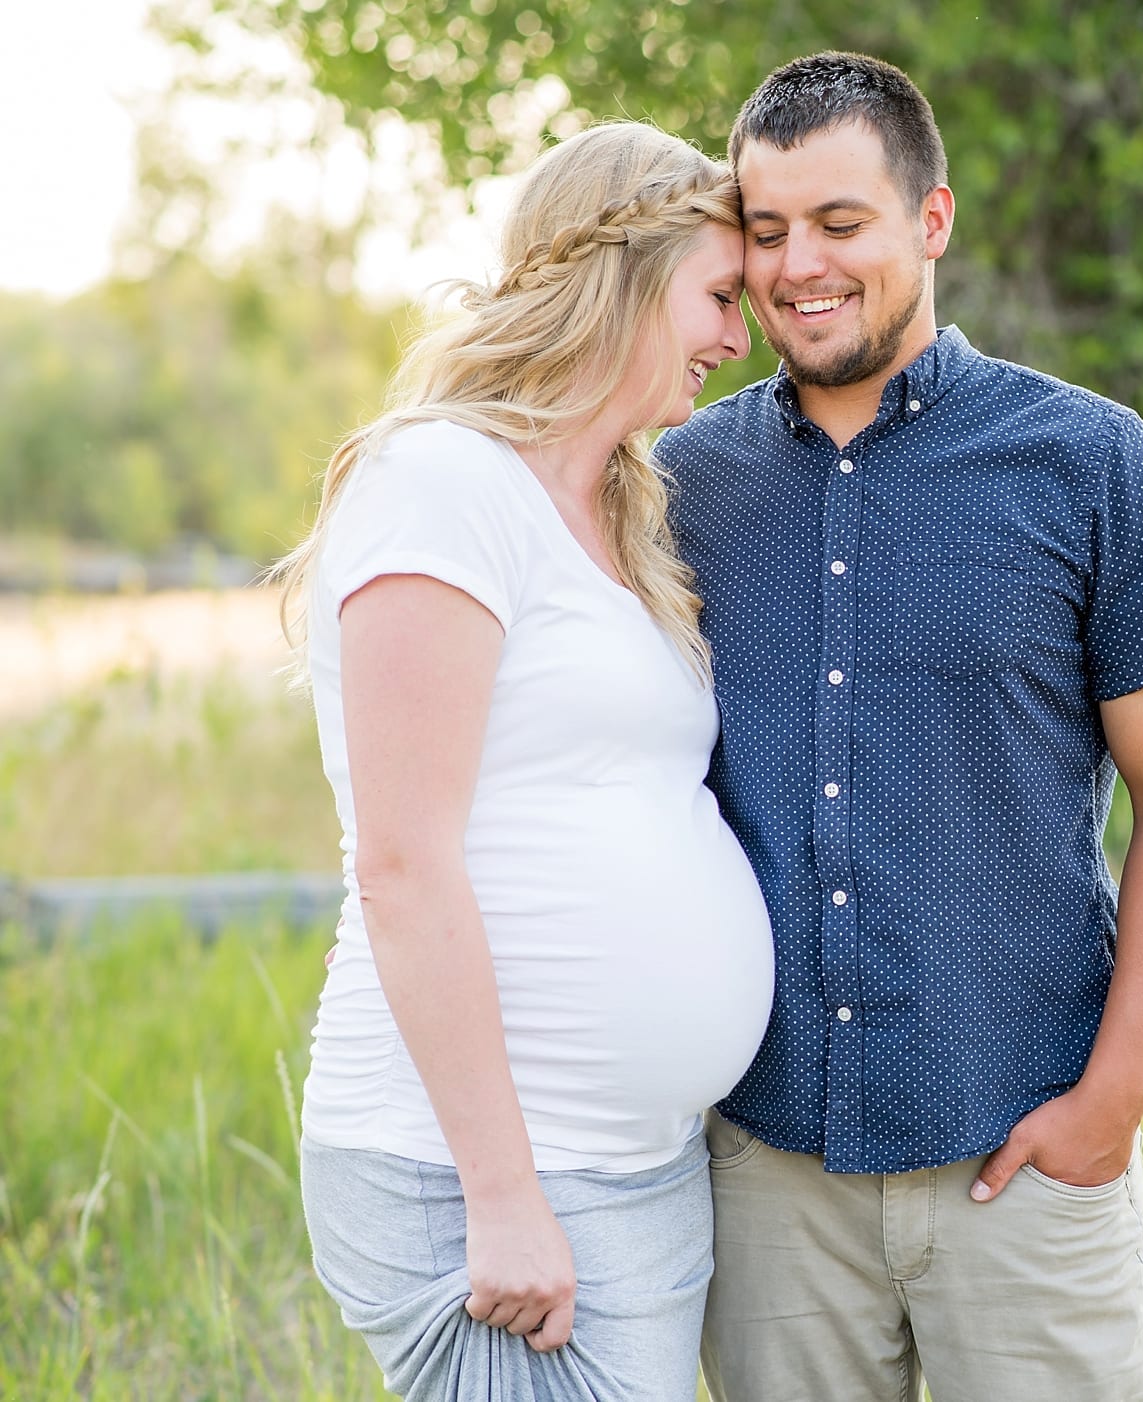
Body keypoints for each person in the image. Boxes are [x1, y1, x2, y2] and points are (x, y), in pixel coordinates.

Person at [658, 52, 1143, 1401]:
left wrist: (1113, 1105)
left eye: (841, 223)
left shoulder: (1092, 464)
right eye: (767, 228)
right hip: (769, 1175)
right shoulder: (682, 484)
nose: (800, 262)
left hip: (1025, 1159)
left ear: (932, 220)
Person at [277, 121, 773, 1400]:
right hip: (478, 1177)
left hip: (632, 1167)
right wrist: (501, 1196)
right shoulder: (444, 483)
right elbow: (402, 861)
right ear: (624, 275)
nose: (740, 337)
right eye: (719, 296)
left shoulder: (618, 512)